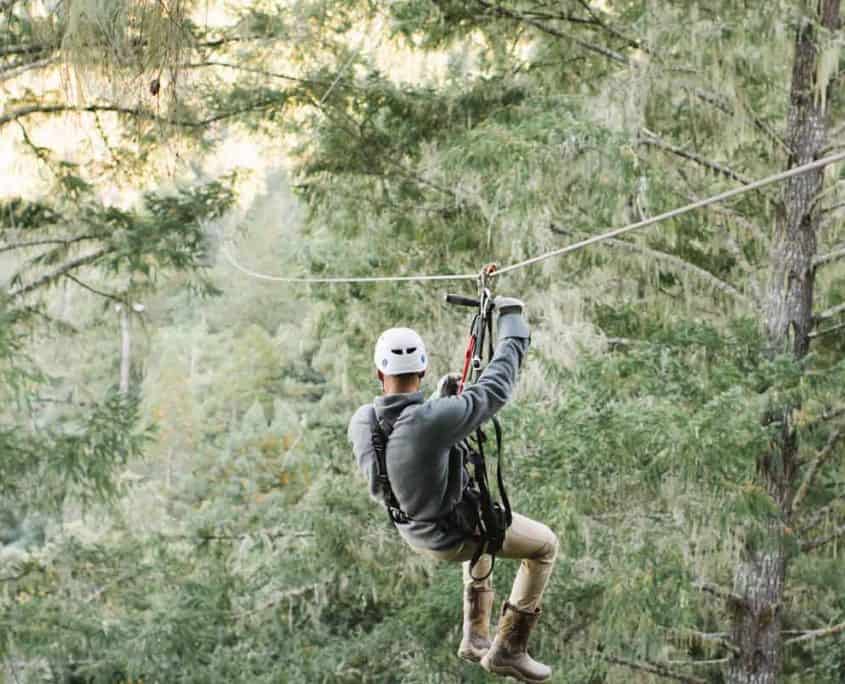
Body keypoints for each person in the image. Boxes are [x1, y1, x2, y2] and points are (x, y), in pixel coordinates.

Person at [347, 294, 558, 683]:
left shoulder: (362, 422)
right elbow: (494, 389)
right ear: (422, 369)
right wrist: (512, 323)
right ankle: (509, 649)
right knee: (545, 546)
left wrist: (442, 406)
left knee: (477, 510)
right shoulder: (431, 421)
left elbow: (402, 459)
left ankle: (476, 636)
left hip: (413, 531)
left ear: (379, 373)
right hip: (451, 538)